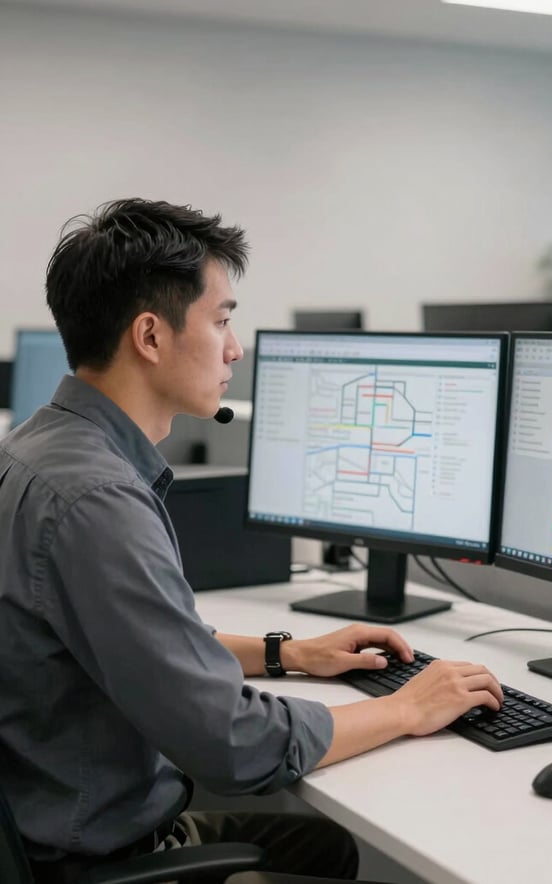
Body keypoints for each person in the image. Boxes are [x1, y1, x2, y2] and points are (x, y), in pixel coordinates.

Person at [0, 198, 503, 883]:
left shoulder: (35, 450)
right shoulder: (98, 501)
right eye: (222, 319)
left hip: (52, 823)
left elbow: (149, 650)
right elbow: (231, 743)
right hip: (95, 857)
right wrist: (407, 707)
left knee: (332, 851)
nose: (235, 348)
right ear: (151, 336)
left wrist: (289, 653)